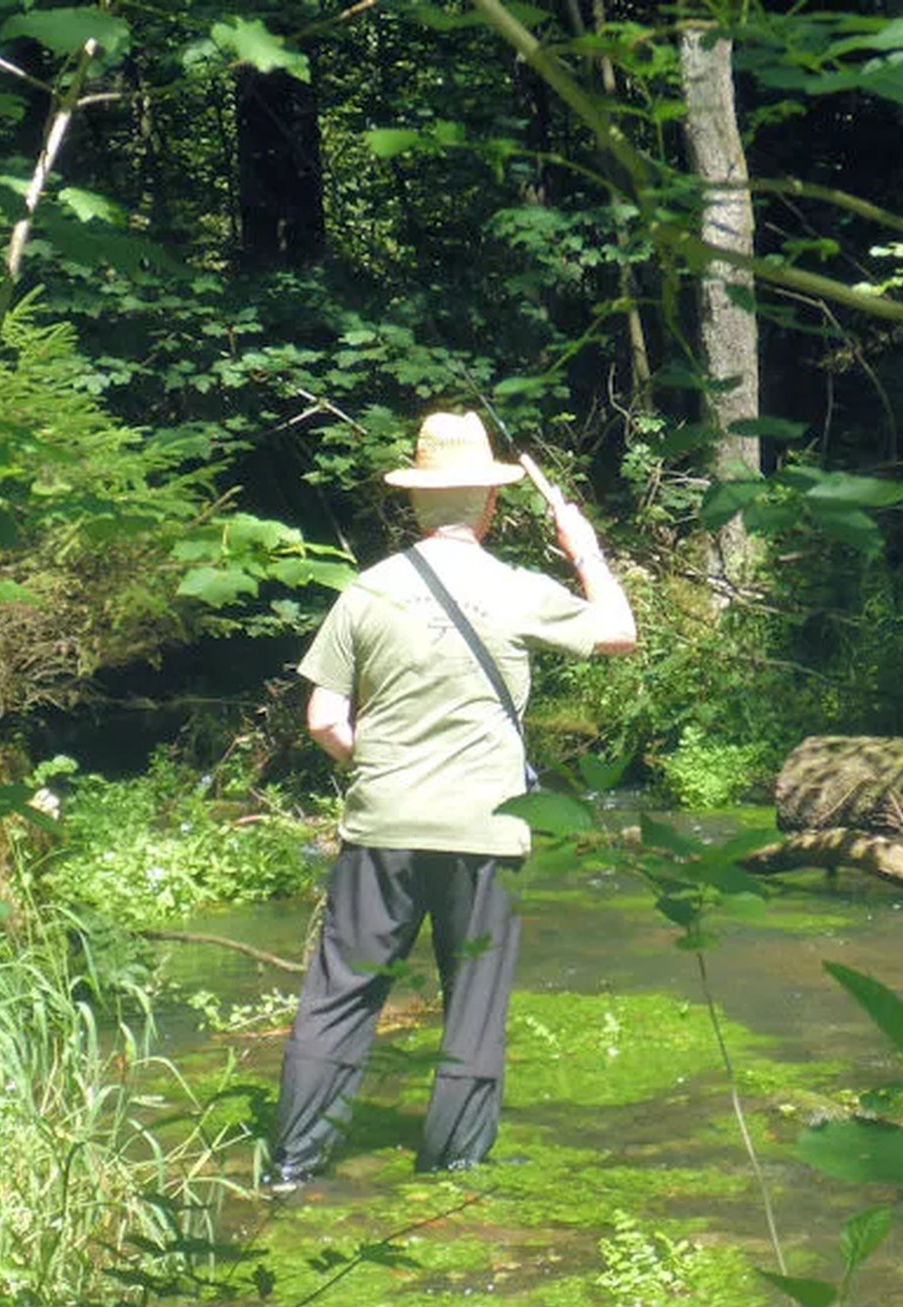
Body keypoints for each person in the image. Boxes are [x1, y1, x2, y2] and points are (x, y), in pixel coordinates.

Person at [264, 409, 637, 1192]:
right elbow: (619, 632)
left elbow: (325, 721)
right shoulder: (515, 590)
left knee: (340, 994)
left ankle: (294, 1165)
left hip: (382, 828)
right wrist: (587, 551)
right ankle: (455, 1168)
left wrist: (390, 771)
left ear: (415, 500)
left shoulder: (366, 592)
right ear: (490, 504)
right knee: (473, 1002)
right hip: (486, 834)